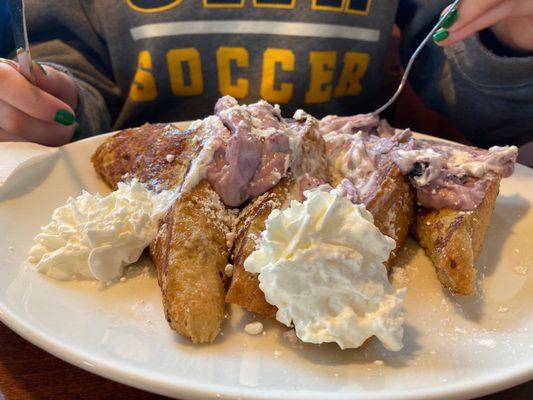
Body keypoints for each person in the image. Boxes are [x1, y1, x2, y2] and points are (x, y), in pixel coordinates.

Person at [0, 0, 531, 147]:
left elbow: (490, 117)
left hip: (355, 195)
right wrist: (45, 105)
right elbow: (80, 91)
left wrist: (516, 34)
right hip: (131, 221)